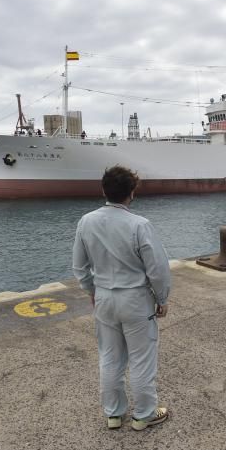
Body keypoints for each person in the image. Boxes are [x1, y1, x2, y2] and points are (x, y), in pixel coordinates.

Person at [73, 166, 172, 430]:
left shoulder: (86, 221)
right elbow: (158, 269)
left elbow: (79, 267)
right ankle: (144, 415)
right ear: (132, 193)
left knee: (109, 356)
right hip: (136, 300)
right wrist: (162, 298)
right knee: (141, 359)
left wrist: (92, 291)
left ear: (104, 190)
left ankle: (114, 414)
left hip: (104, 297)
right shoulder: (140, 224)